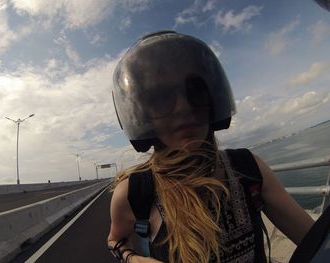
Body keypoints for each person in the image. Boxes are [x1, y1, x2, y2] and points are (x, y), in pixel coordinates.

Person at [107, 31, 314, 263]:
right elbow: (115, 240)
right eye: (162, 97)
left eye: (195, 90)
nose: (183, 107)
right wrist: (132, 258)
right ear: (145, 115)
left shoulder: (248, 169)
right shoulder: (133, 193)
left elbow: (317, 242)